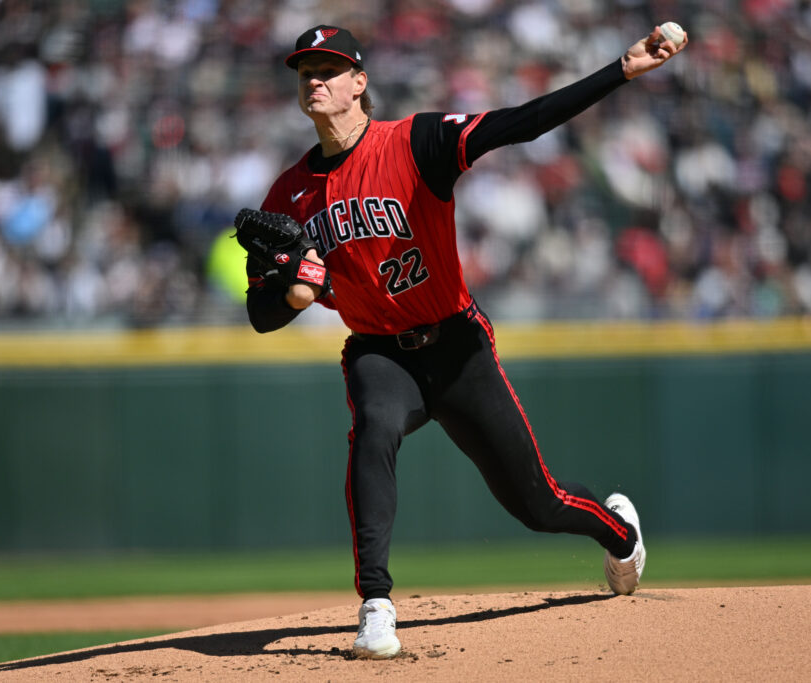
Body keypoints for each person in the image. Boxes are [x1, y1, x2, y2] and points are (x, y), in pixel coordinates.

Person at [243, 23, 687, 659]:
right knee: (373, 427)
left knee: (538, 503)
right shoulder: (289, 193)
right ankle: (376, 606)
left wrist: (621, 67)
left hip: (456, 347)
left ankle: (619, 534)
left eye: (330, 69)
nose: (315, 79)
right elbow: (261, 314)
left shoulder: (415, 141)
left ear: (359, 84)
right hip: (379, 348)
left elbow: (523, 122)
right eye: (306, 70)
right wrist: (291, 294)